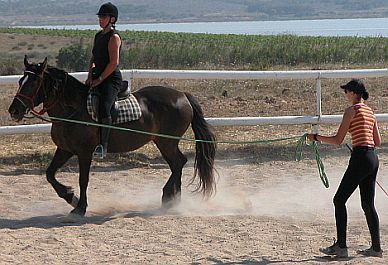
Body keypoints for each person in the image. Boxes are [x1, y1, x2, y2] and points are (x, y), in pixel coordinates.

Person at [307, 79, 382, 258]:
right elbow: (377, 141)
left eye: (346, 91)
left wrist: (315, 137)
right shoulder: (370, 112)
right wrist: (359, 140)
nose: (345, 95)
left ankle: (341, 246)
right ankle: (376, 249)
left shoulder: (351, 111)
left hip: (360, 158)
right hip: (372, 158)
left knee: (339, 200)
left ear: (354, 93)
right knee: (368, 204)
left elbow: (337, 140)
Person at [85, 2, 122, 159]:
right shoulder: (98, 35)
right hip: (97, 76)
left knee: (105, 107)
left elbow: (114, 63)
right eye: (100, 17)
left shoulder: (114, 37)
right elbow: (94, 57)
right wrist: (89, 76)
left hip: (110, 79)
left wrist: (100, 79)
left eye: (104, 17)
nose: (100, 19)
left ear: (112, 19)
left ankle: (103, 145)